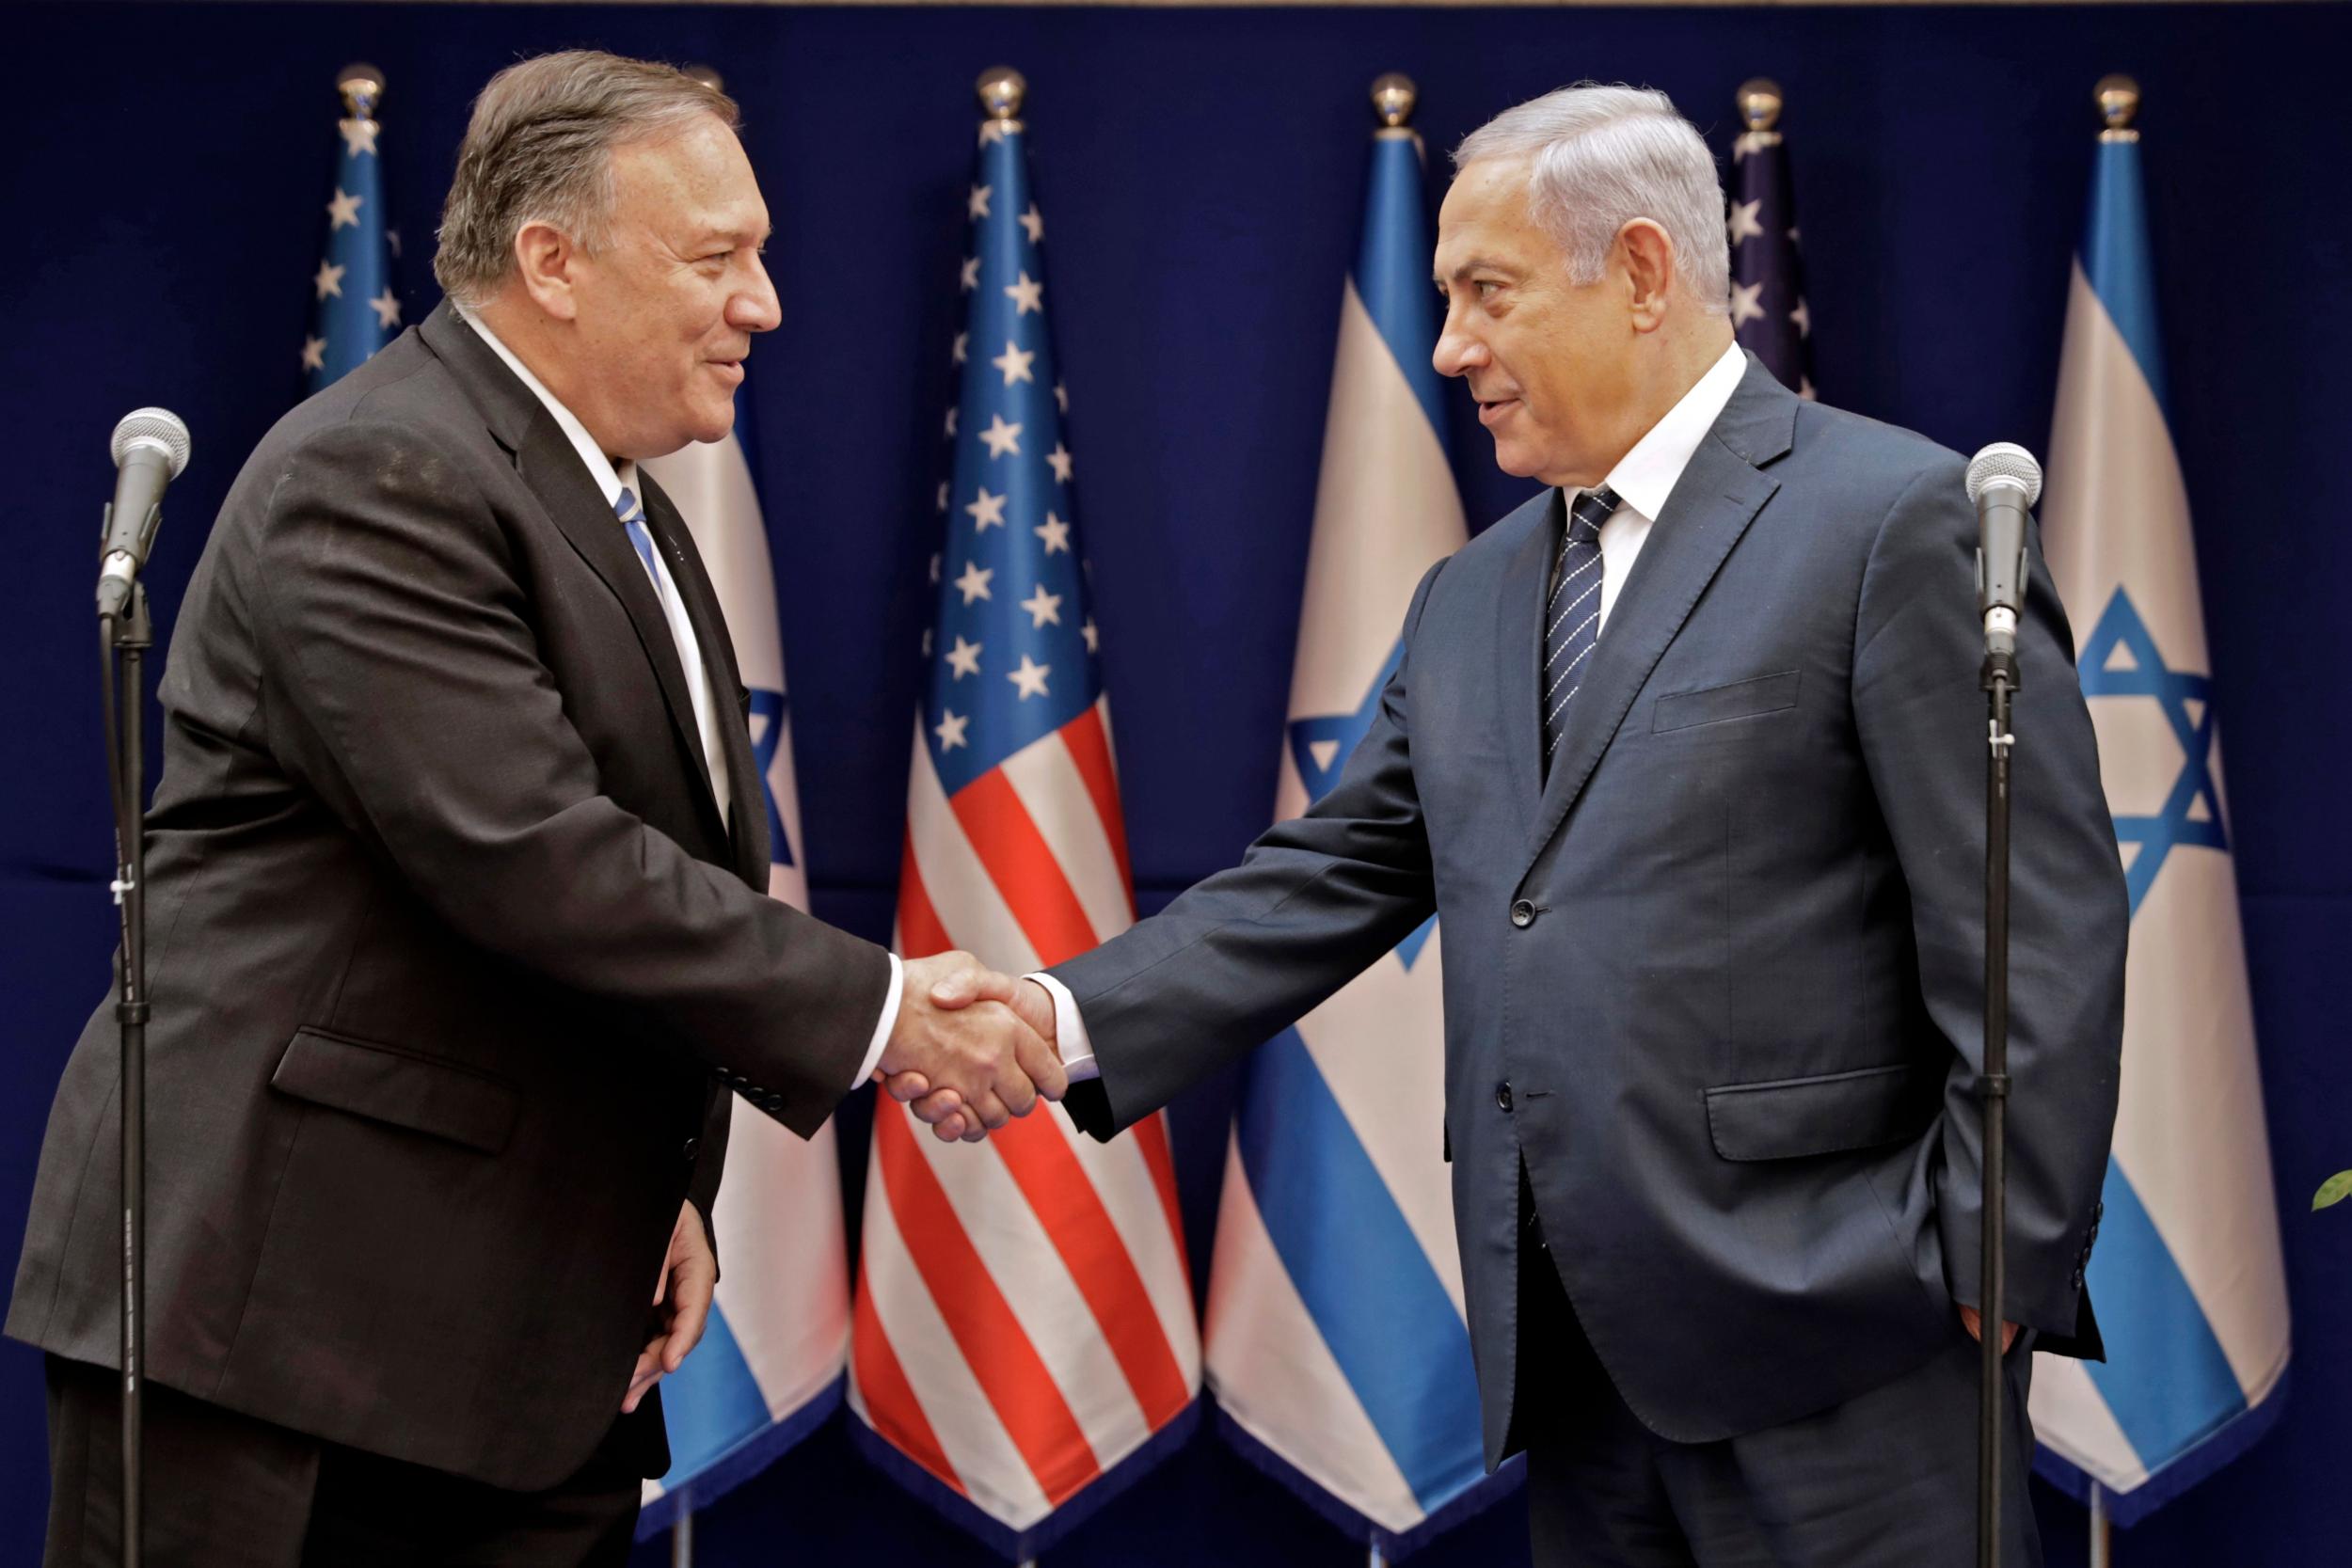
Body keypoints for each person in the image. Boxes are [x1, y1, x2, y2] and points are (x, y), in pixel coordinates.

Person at [913, 84, 2125, 1566]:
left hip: (1851, 1356)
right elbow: (1337, 872)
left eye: (1485, 293)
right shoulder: (1473, 594)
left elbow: (2031, 935)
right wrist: (1054, 1016)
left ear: (1637, 272)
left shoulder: (1891, 520)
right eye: (1443, 300)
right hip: (1579, 1358)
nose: (1449, 349)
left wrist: (1997, 1257)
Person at [10, 51, 1052, 1567]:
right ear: (551, 264)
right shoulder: (382, 472)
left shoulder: (608, 499)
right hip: (289, 1335)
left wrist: (655, 1191)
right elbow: (531, 855)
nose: (761, 302)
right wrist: (891, 1011)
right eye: (718, 259)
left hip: (516, 1334)